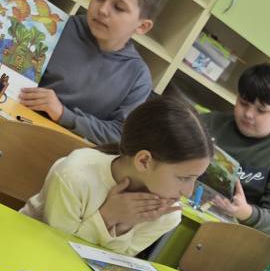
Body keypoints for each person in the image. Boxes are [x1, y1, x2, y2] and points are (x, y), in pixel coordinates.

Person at [20, 96, 213, 256]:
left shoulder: (167, 214)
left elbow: (113, 265)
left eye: (195, 179)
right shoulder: (74, 175)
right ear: (144, 161)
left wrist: (124, 224)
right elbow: (57, 250)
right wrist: (106, 218)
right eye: (184, 178)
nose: (188, 192)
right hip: (26, 250)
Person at [19, 0, 159, 145]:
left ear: (142, 26)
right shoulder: (57, 27)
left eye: (119, 7)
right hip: (19, 122)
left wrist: (63, 114)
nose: (103, 10)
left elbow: (120, 134)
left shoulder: (138, 77)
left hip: (67, 151)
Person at [201, 64, 270, 236]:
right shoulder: (209, 123)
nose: (248, 114)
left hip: (227, 235)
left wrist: (246, 212)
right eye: (243, 103)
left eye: (261, 110)